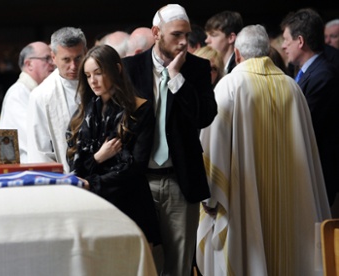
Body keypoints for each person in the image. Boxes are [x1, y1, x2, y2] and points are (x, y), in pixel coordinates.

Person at [196, 24, 331, 276]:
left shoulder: (229, 87)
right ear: (268, 52)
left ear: (237, 54)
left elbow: (212, 148)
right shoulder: (292, 87)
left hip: (244, 199)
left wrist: (210, 197)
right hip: (292, 198)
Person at [123, 4, 218, 275]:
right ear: (156, 33)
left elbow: (204, 117)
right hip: (140, 180)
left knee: (180, 265)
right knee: (144, 262)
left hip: (180, 180)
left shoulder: (197, 68)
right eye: (176, 34)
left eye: (187, 35)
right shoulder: (131, 68)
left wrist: (176, 77)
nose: (184, 41)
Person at [66, 44, 160, 245]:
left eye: (98, 73)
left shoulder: (139, 109)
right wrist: (99, 157)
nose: (93, 81)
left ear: (116, 69)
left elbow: (135, 167)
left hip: (130, 202)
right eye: (88, 75)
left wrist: (93, 181)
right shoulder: (84, 113)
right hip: (94, 204)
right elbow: (76, 167)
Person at [281, 8, 339, 208]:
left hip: (320, 175)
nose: (283, 46)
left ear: (300, 41)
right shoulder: (308, 72)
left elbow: (305, 125)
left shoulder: (323, 76)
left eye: (286, 40)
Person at [27, 27, 87, 173]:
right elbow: (40, 152)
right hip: (65, 176)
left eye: (78, 58)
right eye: (66, 59)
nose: (73, 66)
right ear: (53, 57)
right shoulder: (41, 95)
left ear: (86, 52)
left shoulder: (98, 83)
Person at [0, 42, 55, 163]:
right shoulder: (17, 94)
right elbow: (37, 136)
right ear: (29, 64)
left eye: (53, 58)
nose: (53, 63)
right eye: (47, 58)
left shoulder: (38, 91)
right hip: (24, 169)